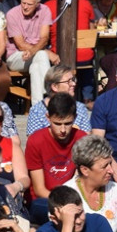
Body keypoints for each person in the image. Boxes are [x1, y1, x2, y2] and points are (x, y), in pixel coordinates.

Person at [26, 93, 87, 224]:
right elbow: (39, 189)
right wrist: (64, 206)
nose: (63, 130)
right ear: (48, 117)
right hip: (45, 201)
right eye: (58, 124)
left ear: (75, 118)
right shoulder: (36, 141)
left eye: (68, 123)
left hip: (74, 199)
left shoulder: (82, 139)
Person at [5, 0, 56, 102]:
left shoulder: (44, 10)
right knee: (42, 55)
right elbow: (20, 44)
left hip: (35, 56)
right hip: (16, 56)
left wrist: (34, 52)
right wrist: (45, 52)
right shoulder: (12, 14)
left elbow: (44, 38)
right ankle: (50, 95)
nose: (25, 7)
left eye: (29, 4)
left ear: (37, 4)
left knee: (36, 67)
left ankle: (38, 107)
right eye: (23, 3)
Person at [25, 66, 92, 136]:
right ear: (55, 87)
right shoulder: (37, 111)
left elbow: (86, 139)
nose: (73, 84)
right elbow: (34, 140)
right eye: (68, 81)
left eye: (73, 80)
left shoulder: (80, 108)